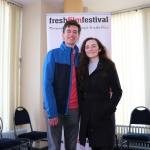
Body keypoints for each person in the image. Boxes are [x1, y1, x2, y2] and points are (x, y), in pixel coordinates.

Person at [77, 37, 122, 150]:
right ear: (84, 50)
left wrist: (109, 108)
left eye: (93, 46)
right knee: (95, 147)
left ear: (100, 49)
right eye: (87, 47)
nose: (90, 49)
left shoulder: (108, 65)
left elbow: (117, 90)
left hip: (104, 114)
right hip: (88, 114)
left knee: (106, 146)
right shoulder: (82, 67)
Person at [42, 20, 81, 150]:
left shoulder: (81, 58)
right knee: (54, 147)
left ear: (78, 36)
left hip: (74, 110)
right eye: (68, 31)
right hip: (56, 110)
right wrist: (51, 112)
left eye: (75, 32)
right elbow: (47, 85)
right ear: (62, 35)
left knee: (71, 147)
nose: (72, 34)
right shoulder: (53, 54)